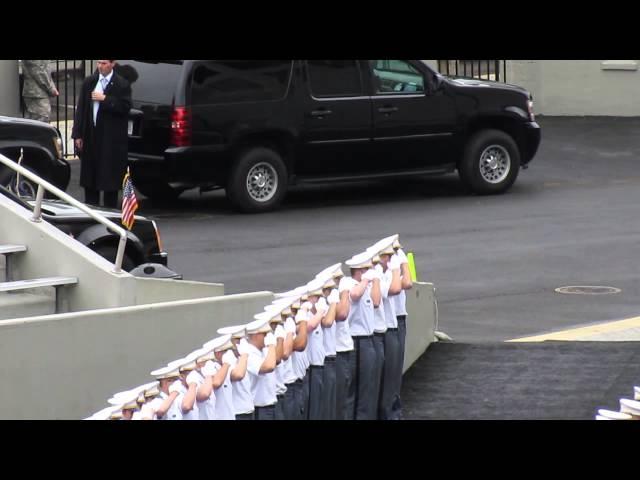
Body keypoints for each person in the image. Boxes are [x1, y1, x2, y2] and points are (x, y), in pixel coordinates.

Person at [71, 60, 132, 208]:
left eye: (104, 63)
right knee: (90, 180)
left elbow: (125, 107)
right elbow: (81, 109)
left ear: (112, 64)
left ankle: (110, 217)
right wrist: (78, 134)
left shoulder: (121, 84)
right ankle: (91, 211)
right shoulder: (90, 82)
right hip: (91, 137)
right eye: (98, 62)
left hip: (110, 140)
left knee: (109, 182)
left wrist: (105, 99)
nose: (100, 66)